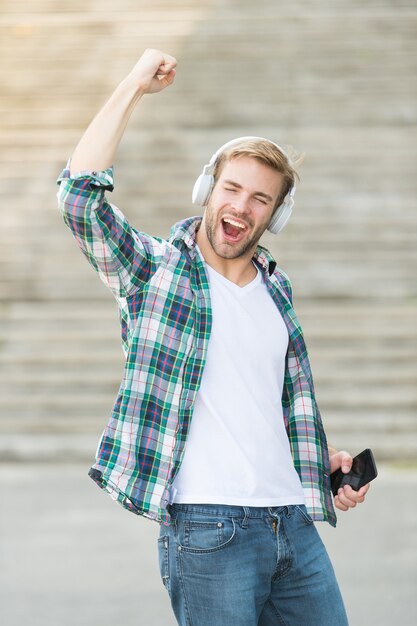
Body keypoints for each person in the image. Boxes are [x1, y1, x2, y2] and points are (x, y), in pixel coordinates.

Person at [57, 48, 370, 626]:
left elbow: (262, 404)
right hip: (209, 528)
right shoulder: (153, 270)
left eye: (260, 199)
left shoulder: (279, 292)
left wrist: (318, 460)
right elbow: (78, 198)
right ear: (207, 188)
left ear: (275, 215)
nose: (240, 207)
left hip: (293, 524)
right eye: (231, 188)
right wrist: (133, 85)